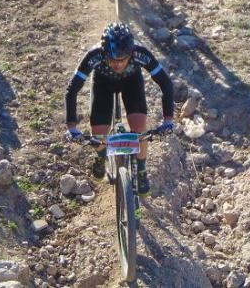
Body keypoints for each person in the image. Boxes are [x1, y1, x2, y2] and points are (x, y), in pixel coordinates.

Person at [65, 22, 175, 195]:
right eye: (112, 59)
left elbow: (166, 84)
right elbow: (72, 90)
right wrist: (72, 126)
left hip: (132, 83)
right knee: (99, 134)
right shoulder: (94, 55)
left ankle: (141, 170)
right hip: (103, 85)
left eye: (122, 60)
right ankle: (101, 157)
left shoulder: (140, 53)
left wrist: (168, 120)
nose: (117, 65)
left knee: (139, 130)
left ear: (131, 53)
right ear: (104, 53)